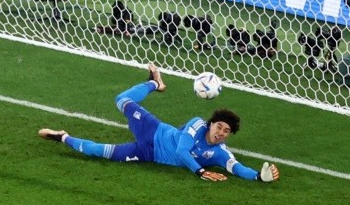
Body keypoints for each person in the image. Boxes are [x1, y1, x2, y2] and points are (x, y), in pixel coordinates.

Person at [38, 64, 280, 183]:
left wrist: (259, 176)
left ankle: (61, 136)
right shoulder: (197, 125)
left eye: (226, 132)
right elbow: (181, 151)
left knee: (96, 152)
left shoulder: (219, 152)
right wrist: (201, 171)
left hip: (146, 153)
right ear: (211, 123)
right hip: (153, 131)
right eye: (219, 126)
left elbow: (236, 167)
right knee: (121, 100)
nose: (221, 133)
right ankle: (154, 83)